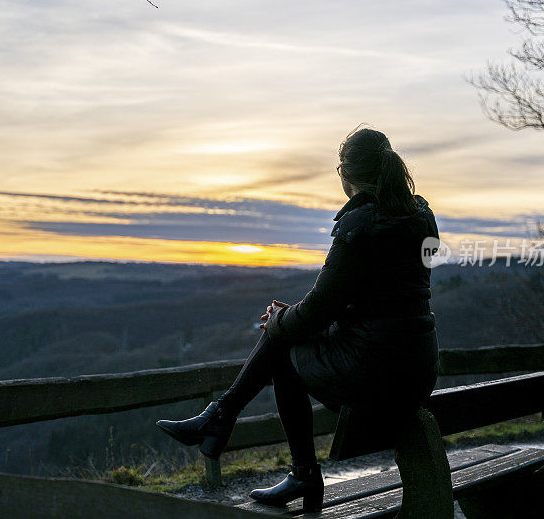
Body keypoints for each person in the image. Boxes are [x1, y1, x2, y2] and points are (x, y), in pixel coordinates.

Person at [155, 126, 441, 512]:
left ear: (345, 173)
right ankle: (220, 419)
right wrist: (291, 316)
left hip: (377, 374)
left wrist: (278, 318)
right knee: (286, 331)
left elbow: (323, 309)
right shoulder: (420, 218)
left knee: (284, 351)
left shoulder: (361, 225)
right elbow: (383, 299)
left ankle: (278, 456)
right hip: (418, 367)